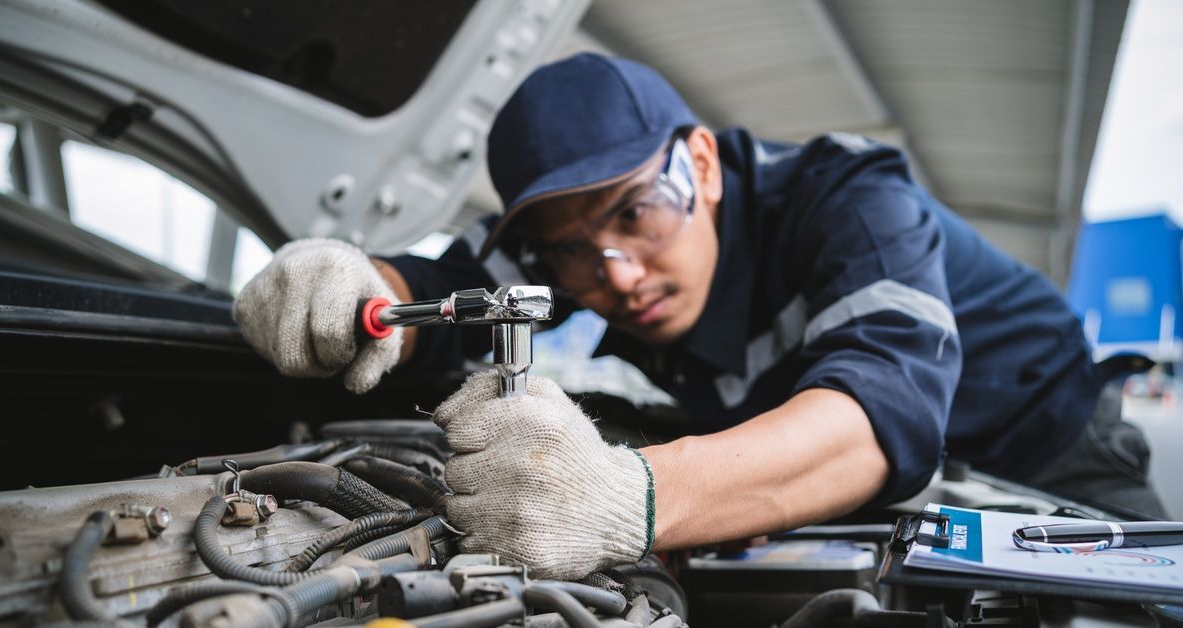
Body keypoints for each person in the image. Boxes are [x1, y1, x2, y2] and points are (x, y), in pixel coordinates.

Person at [234, 53, 1167, 580]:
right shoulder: (576, 248)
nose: (613, 271)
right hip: (849, 482)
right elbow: (449, 290)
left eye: (635, 212)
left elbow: (884, 408)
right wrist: (356, 284)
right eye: (567, 249)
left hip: (1044, 449)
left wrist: (632, 497)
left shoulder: (851, 198)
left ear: (705, 168)